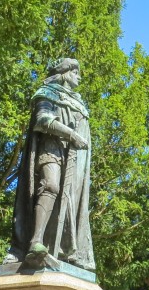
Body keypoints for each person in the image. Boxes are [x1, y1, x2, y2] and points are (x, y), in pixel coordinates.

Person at [7, 58, 96, 272]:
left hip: (73, 161)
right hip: (51, 148)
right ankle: (34, 243)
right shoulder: (48, 93)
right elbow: (42, 120)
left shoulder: (79, 103)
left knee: (69, 204)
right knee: (50, 186)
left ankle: (65, 251)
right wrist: (71, 134)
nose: (79, 76)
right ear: (64, 73)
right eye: (75, 72)